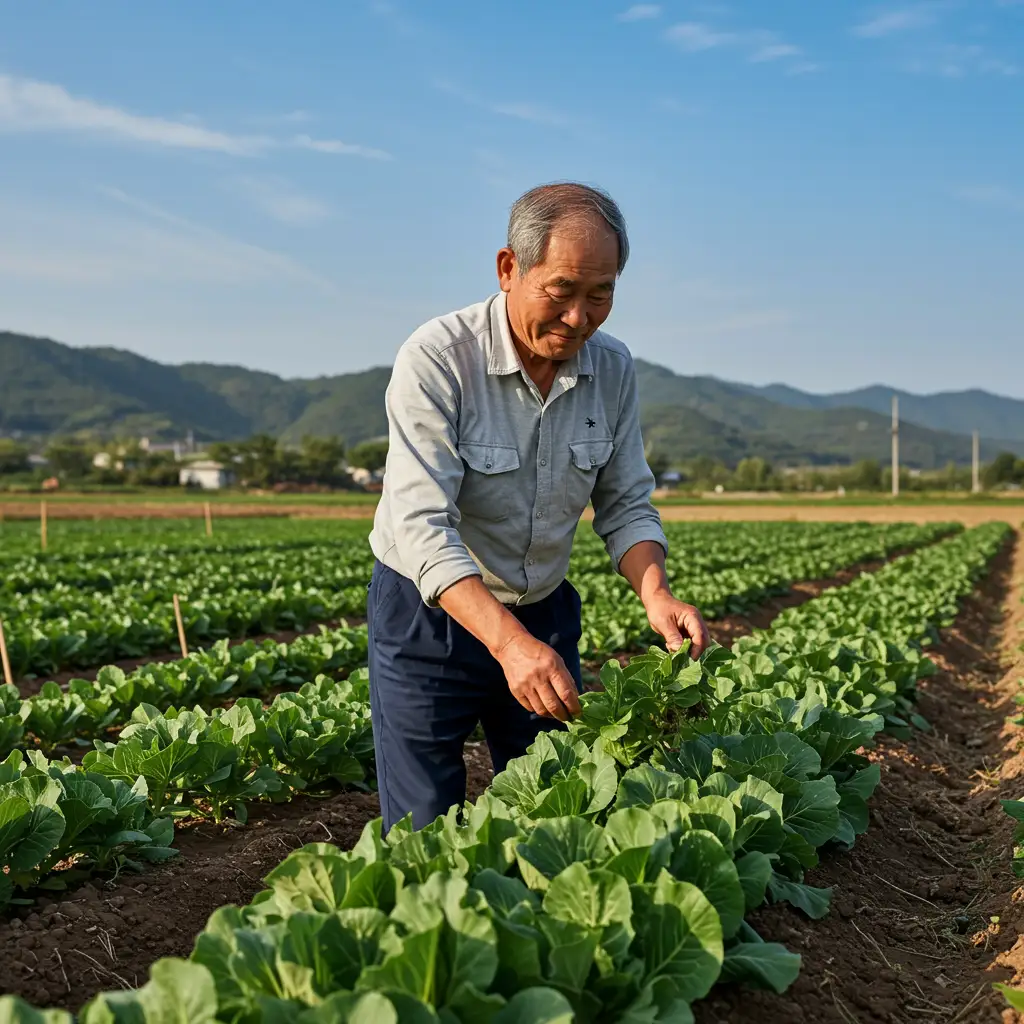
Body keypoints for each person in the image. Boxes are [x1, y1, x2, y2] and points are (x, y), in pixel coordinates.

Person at [367, 181, 710, 832]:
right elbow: (421, 527)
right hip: (429, 617)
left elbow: (625, 500)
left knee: (554, 811)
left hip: (543, 612)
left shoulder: (612, 369)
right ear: (508, 269)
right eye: (561, 290)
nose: (580, 317)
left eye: (600, 293)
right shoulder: (439, 359)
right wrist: (507, 643)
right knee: (420, 829)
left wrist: (655, 592)